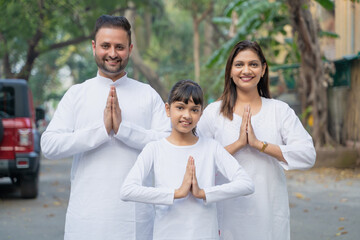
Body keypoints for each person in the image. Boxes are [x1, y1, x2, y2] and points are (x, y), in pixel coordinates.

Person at [41, 15, 171, 240]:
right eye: (105, 46)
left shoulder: (147, 94)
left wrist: (124, 130)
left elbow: (169, 146)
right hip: (86, 219)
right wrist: (101, 131)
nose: (112, 53)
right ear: (94, 47)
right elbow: (49, 146)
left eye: (119, 47)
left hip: (135, 220)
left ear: (129, 49)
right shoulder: (77, 94)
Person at [197, 40, 316, 240]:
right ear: (230, 71)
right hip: (226, 217)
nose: (246, 70)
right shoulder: (213, 113)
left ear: (263, 70)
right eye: (239, 64)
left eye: (253, 64)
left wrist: (260, 145)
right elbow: (197, 162)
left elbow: (307, 155)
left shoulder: (279, 111)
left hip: (269, 215)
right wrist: (238, 145)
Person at [120, 80, 255, 240]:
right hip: (167, 234)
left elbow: (247, 184)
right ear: (167, 109)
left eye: (194, 110)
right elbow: (127, 190)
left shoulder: (212, 147)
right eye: (180, 108)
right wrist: (175, 193)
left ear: (201, 113)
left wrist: (203, 193)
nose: (187, 115)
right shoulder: (154, 148)